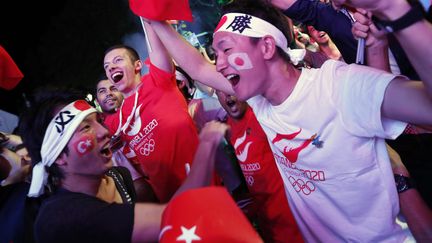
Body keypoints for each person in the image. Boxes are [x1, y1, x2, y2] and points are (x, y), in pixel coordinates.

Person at [146, 0, 432, 241]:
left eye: (227, 49)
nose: (218, 63)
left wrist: (397, 12)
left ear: (268, 47)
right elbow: (196, 67)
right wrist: (151, 14)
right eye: (216, 53)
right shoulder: (260, 100)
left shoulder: (338, 86)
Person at [19, 86, 258, 242]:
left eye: (98, 121)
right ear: (58, 156)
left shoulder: (118, 177)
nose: (104, 132)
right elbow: (175, 216)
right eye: (85, 128)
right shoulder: (60, 219)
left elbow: (165, 213)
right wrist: (205, 147)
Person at [102, 21, 200, 203]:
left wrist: (147, 15)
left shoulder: (158, 80)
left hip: (203, 186)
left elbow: (156, 44)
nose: (111, 68)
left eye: (117, 61)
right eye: (107, 67)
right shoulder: (115, 123)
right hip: (170, 204)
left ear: (138, 65)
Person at [215, 90, 304, 243]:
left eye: (229, 87)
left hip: (289, 216)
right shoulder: (227, 128)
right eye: (220, 91)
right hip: (265, 217)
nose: (227, 95)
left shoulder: (261, 115)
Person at [95, 76, 158, 202]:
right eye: (102, 91)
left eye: (113, 88)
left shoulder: (141, 110)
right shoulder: (100, 134)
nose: (109, 94)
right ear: (97, 100)